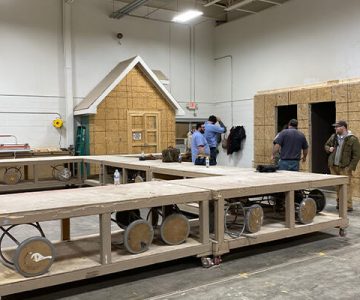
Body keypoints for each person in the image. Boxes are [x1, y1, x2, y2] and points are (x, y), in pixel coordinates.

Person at [324, 120, 360, 211]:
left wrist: (350, 167)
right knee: (337, 186)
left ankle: (348, 206)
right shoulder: (334, 137)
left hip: (345, 167)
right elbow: (326, 145)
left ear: (343, 127)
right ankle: (339, 203)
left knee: (346, 186)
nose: (335, 128)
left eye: (337, 127)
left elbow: (356, 155)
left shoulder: (353, 139)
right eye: (335, 127)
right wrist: (329, 148)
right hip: (333, 166)